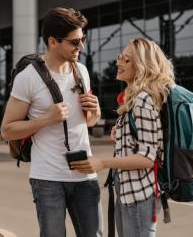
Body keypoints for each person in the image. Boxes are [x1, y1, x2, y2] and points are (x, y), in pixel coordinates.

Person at [1, 7, 102, 237]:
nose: (81, 47)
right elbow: (7, 130)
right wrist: (47, 119)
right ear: (53, 42)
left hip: (85, 175)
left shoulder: (82, 72)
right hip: (47, 178)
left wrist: (95, 111)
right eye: (74, 42)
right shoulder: (28, 78)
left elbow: (90, 123)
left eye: (83, 39)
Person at [72, 37, 175, 237]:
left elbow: (147, 158)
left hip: (140, 194)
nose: (119, 63)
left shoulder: (143, 101)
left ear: (143, 66)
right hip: (130, 193)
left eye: (127, 60)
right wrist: (123, 135)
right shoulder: (136, 99)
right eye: (121, 57)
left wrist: (103, 162)